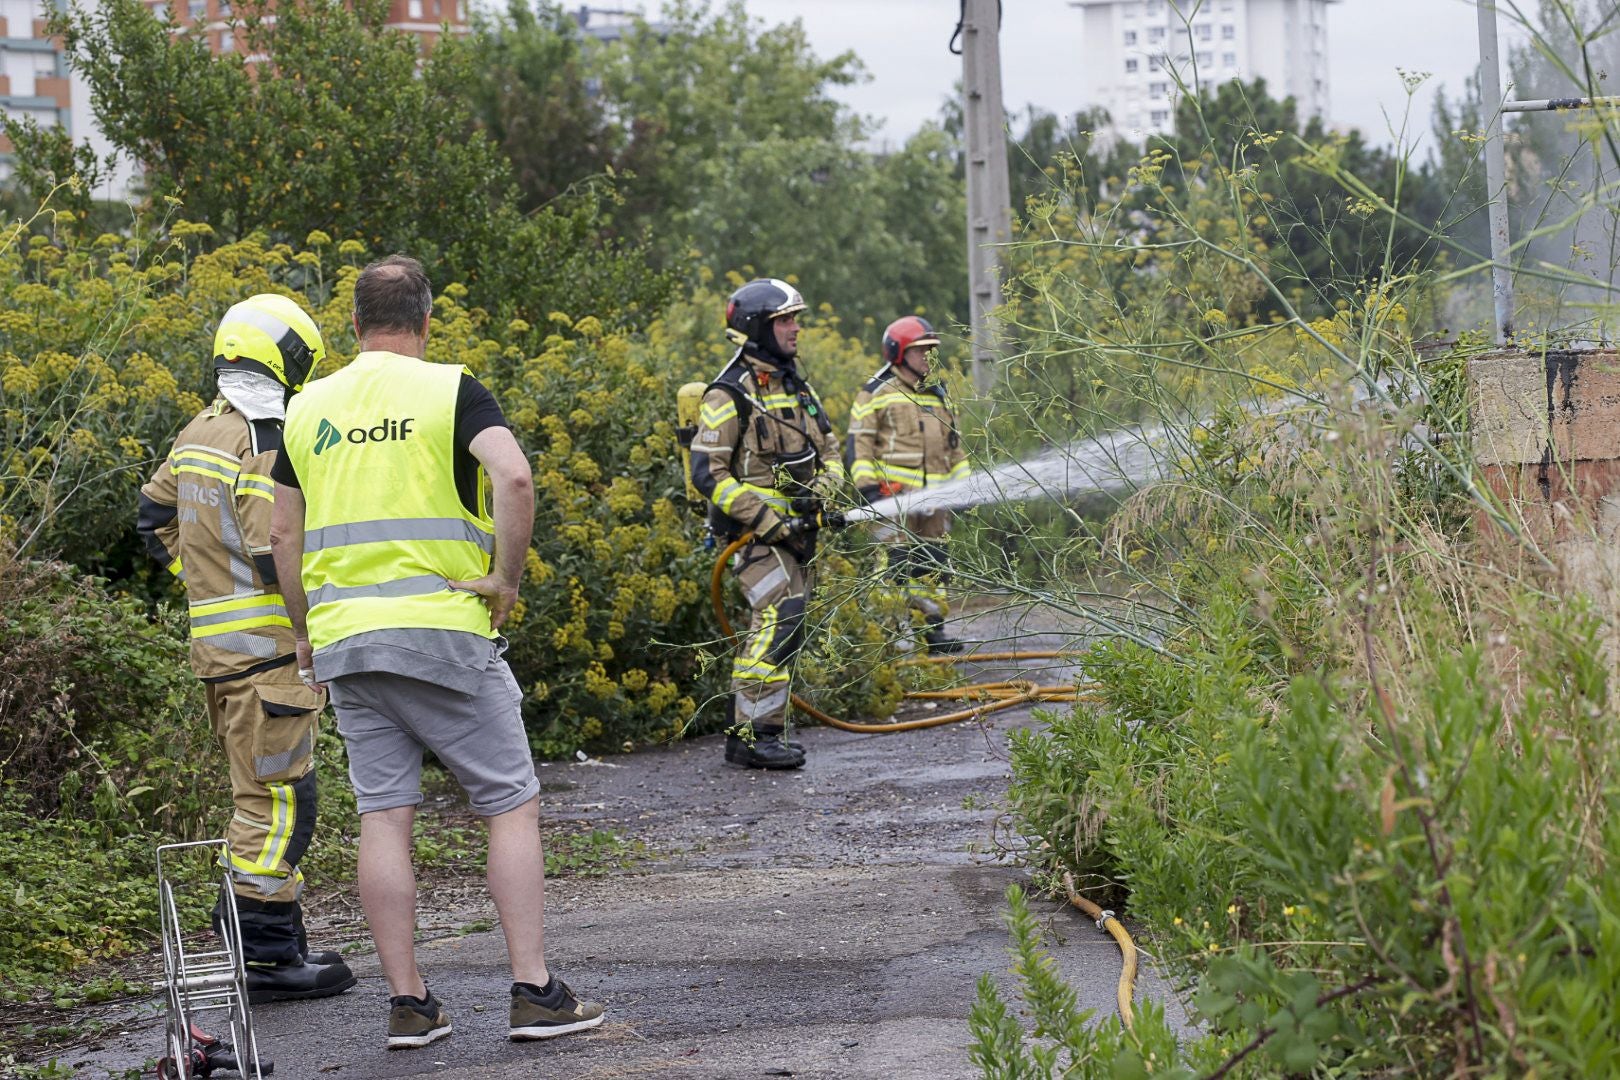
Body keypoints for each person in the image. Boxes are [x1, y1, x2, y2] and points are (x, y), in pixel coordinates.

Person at [269, 255, 604, 1050]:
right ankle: (533, 990)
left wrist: (308, 630)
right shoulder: (450, 387)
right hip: (444, 629)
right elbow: (513, 478)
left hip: (349, 641)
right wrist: (505, 581)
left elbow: (282, 532)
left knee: (384, 815)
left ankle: (410, 1006)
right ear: (424, 322)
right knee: (509, 802)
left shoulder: (308, 404)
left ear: (353, 325)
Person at [137, 294, 357, 1003]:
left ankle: (255, 935)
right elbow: (274, 552)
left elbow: (153, 514)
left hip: (222, 657)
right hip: (268, 660)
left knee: (254, 797)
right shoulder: (265, 434)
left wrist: (201, 582)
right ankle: (265, 958)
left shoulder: (201, 427)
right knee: (284, 802)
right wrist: (310, 627)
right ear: (287, 362)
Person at [688, 277, 845, 770]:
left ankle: (762, 734)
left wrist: (820, 494)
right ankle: (753, 738)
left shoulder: (796, 386)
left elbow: (832, 453)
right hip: (753, 536)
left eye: (796, 318)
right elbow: (707, 472)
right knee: (779, 622)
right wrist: (768, 519)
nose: (796, 328)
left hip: (800, 534)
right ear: (758, 327)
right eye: (786, 320)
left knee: (786, 626)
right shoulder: (728, 393)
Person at [847, 315, 971, 654]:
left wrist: (966, 488)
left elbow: (955, 449)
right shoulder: (876, 393)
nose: (929, 357)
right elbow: (859, 447)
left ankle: (934, 634)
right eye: (921, 351)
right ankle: (896, 638)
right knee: (895, 568)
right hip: (893, 501)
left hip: (937, 501)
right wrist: (871, 493)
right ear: (898, 352)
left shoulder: (938, 395)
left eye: (932, 350)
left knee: (934, 566)